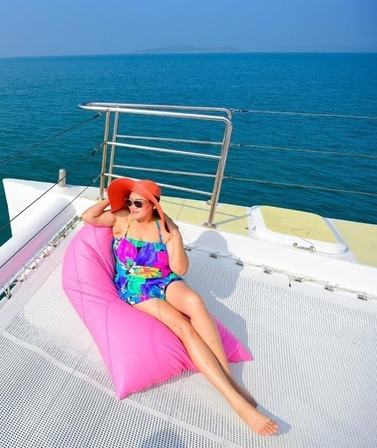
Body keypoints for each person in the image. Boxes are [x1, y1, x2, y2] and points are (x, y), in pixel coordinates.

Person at [81, 177, 279, 436]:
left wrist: (173, 237)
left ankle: (229, 377)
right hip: (135, 287)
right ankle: (235, 400)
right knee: (183, 326)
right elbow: (89, 217)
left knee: (195, 301)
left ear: (153, 205)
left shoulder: (166, 227)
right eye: (130, 201)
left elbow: (180, 269)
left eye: (138, 203)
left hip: (164, 278)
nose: (133, 206)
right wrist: (116, 198)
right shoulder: (120, 217)